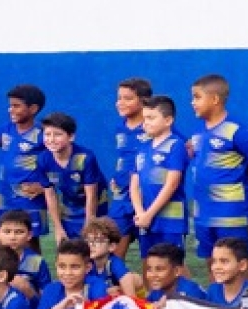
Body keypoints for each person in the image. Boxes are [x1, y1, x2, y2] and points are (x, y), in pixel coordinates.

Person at [185, 74, 248, 264]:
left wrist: (238, 179)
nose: (192, 102)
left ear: (215, 99)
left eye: (197, 97)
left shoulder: (237, 131)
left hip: (231, 214)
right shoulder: (198, 133)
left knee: (237, 264)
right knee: (212, 263)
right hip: (203, 213)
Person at [0, 84, 49, 252]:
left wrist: (44, 187)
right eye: (10, 105)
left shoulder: (43, 134)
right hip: (6, 196)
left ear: (33, 109)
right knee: (4, 239)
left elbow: (57, 163)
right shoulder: (6, 129)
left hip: (29, 197)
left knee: (30, 240)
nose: (11, 110)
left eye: (16, 106)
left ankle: (34, 269)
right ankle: (6, 269)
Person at [130, 96, 189, 256]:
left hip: (170, 222)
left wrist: (149, 214)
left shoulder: (176, 145)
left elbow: (172, 184)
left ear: (168, 120)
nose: (145, 123)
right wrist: (140, 213)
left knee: (172, 264)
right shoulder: (142, 148)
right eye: (144, 118)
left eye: (151, 118)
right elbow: (134, 185)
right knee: (149, 263)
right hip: (146, 220)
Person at [38, 112, 107, 243]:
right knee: (67, 248)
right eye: (47, 134)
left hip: (96, 208)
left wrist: (90, 225)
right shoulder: (43, 159)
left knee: (93, 247)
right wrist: (58, 228)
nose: (51, 139)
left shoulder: (85, 158)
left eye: (57, 134)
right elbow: (50, 195)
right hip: (69, 208)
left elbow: (91, 195)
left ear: (71, 137)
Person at [108, 78, 153, 259]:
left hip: (145, 197)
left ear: (144, 101)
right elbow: (124, 157)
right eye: (119, 98)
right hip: (121, 197)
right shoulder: (120, 127)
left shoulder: (154, 126)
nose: (120, 103)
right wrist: (117, 176)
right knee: (112, 255)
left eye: (127, 98)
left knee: (154, 257)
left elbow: (183, 147)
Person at [0, 209, 51, 304]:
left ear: (29, 235)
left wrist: (27, 289)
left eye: (19, 232)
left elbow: (46, 300)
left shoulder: (34, 261)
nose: (12, 237)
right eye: (7, 232)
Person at [81, 216, 141, 297]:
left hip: (130, 295)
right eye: (88, 240)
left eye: (97, 241)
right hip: (103, 297)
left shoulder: (114, 264)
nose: (91, 245)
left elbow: (131, 297)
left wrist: (120, 290)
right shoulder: (87, 264)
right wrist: (105, 291)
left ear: (111, 246)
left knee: (134, 278)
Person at [142, 242, 207, 302]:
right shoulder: (157, 290)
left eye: (159, 269)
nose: (152, 275)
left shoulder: (191, 293)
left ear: (177, 271)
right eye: (149, 269)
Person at [205, 237, 248, 308]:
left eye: (224, 261)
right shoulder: (213, 290)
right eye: (213, 261)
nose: (216, 267)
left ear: (242, 265)